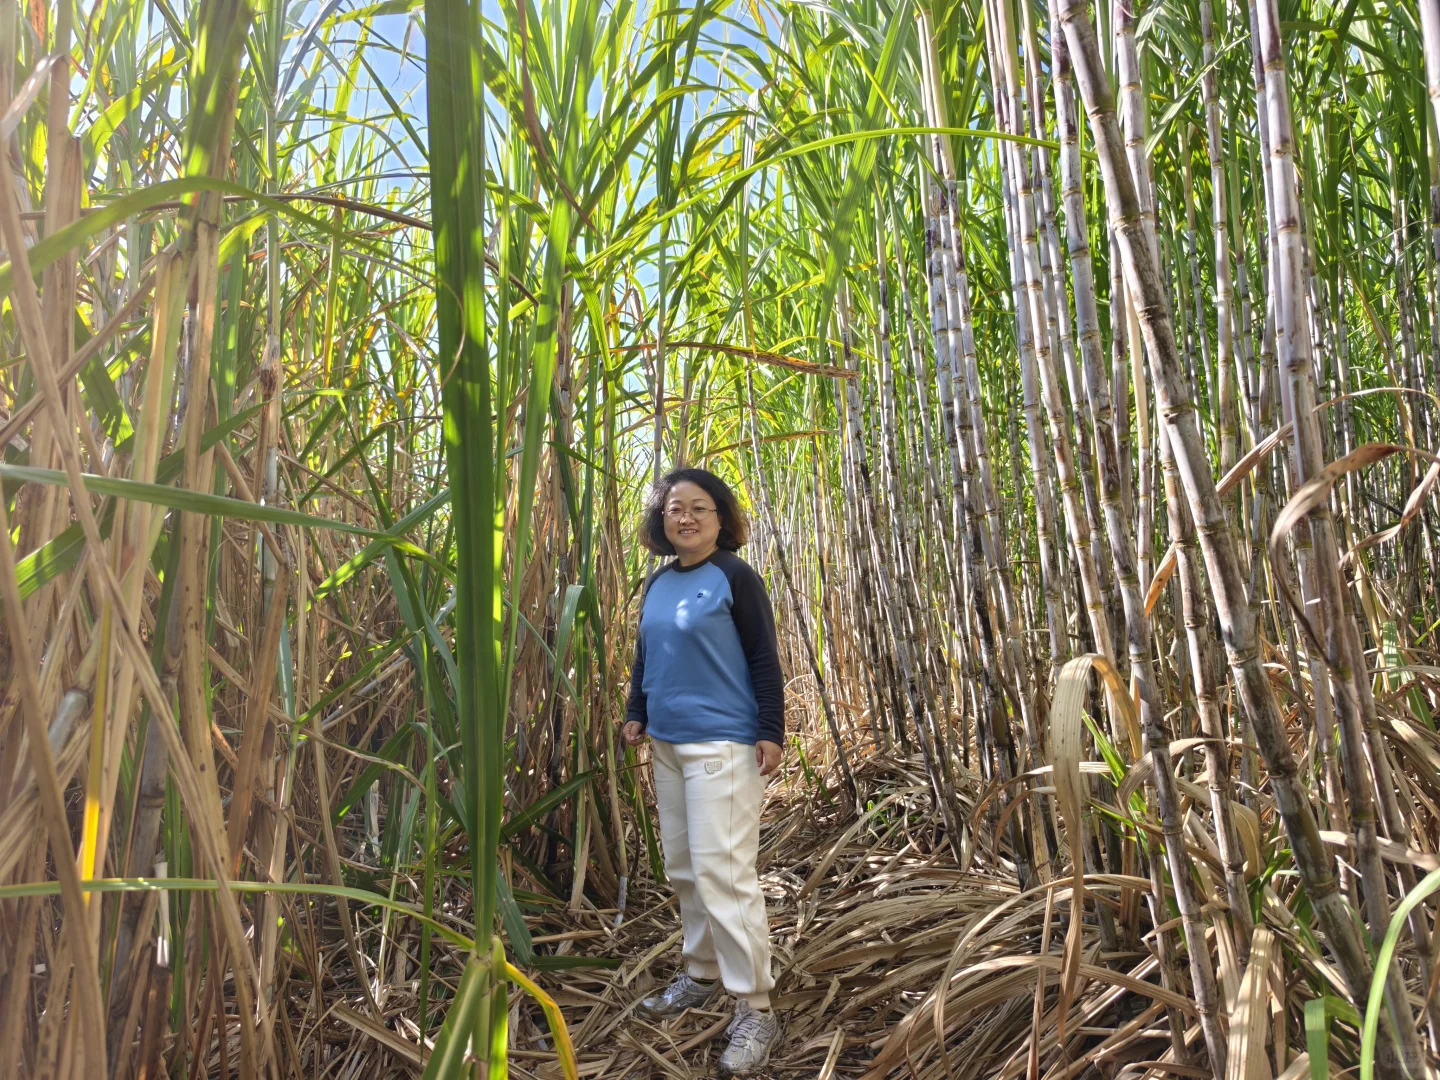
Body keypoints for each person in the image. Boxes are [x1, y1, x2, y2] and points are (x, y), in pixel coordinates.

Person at [623, 467, 783, 1078]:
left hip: (724, 742)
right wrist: (637, 711)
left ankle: (756, 1005)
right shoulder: (659, 583)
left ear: (720, 517)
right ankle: (701, 972)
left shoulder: (735, 577)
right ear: (661, 522)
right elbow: (645, 657)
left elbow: (763, 657)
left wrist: (771, 730)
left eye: (697, 507)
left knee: (724, 871)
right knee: (685, 866)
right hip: (668, 742)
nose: (683, 517)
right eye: (672, 509)